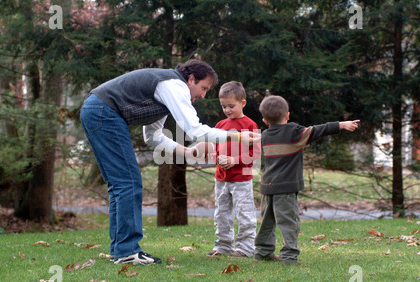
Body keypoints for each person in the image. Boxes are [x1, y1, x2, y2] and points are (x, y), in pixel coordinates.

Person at [79, 60, 260, 265]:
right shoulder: (174, 85)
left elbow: (153, 137)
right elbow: (194, 129)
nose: (203, 95)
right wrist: (236, 137)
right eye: (203, 88)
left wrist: (186, 151)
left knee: (120, 184)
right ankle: (127, 251)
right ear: (191, 79)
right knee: (128, 182)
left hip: (96, 110)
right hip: (103, 112)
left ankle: (120, 249)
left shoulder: (165, 93)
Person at [254, 95, 359, 265]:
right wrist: (341, 125)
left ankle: (262, 252)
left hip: (267, 187)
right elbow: (319, 129)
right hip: (286, 189)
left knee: (267, 222)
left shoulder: (265, 135)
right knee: (289, 222)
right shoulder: (294, 132)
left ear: (265, 120)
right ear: (287, 115)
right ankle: (289, 256)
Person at [207, 81, 261, 258]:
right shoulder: (220, 125)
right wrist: (216, 158)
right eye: (224, 106)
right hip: (221, 178)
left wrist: (235, 160)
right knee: (222, 215)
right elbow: (213, 147)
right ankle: (223, 247)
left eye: (231, 106)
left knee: (245, 214)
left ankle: (245, 248)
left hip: (242, 179)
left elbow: (256, 152)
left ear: (242, 103)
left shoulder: (250, 125)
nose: (227, 110)